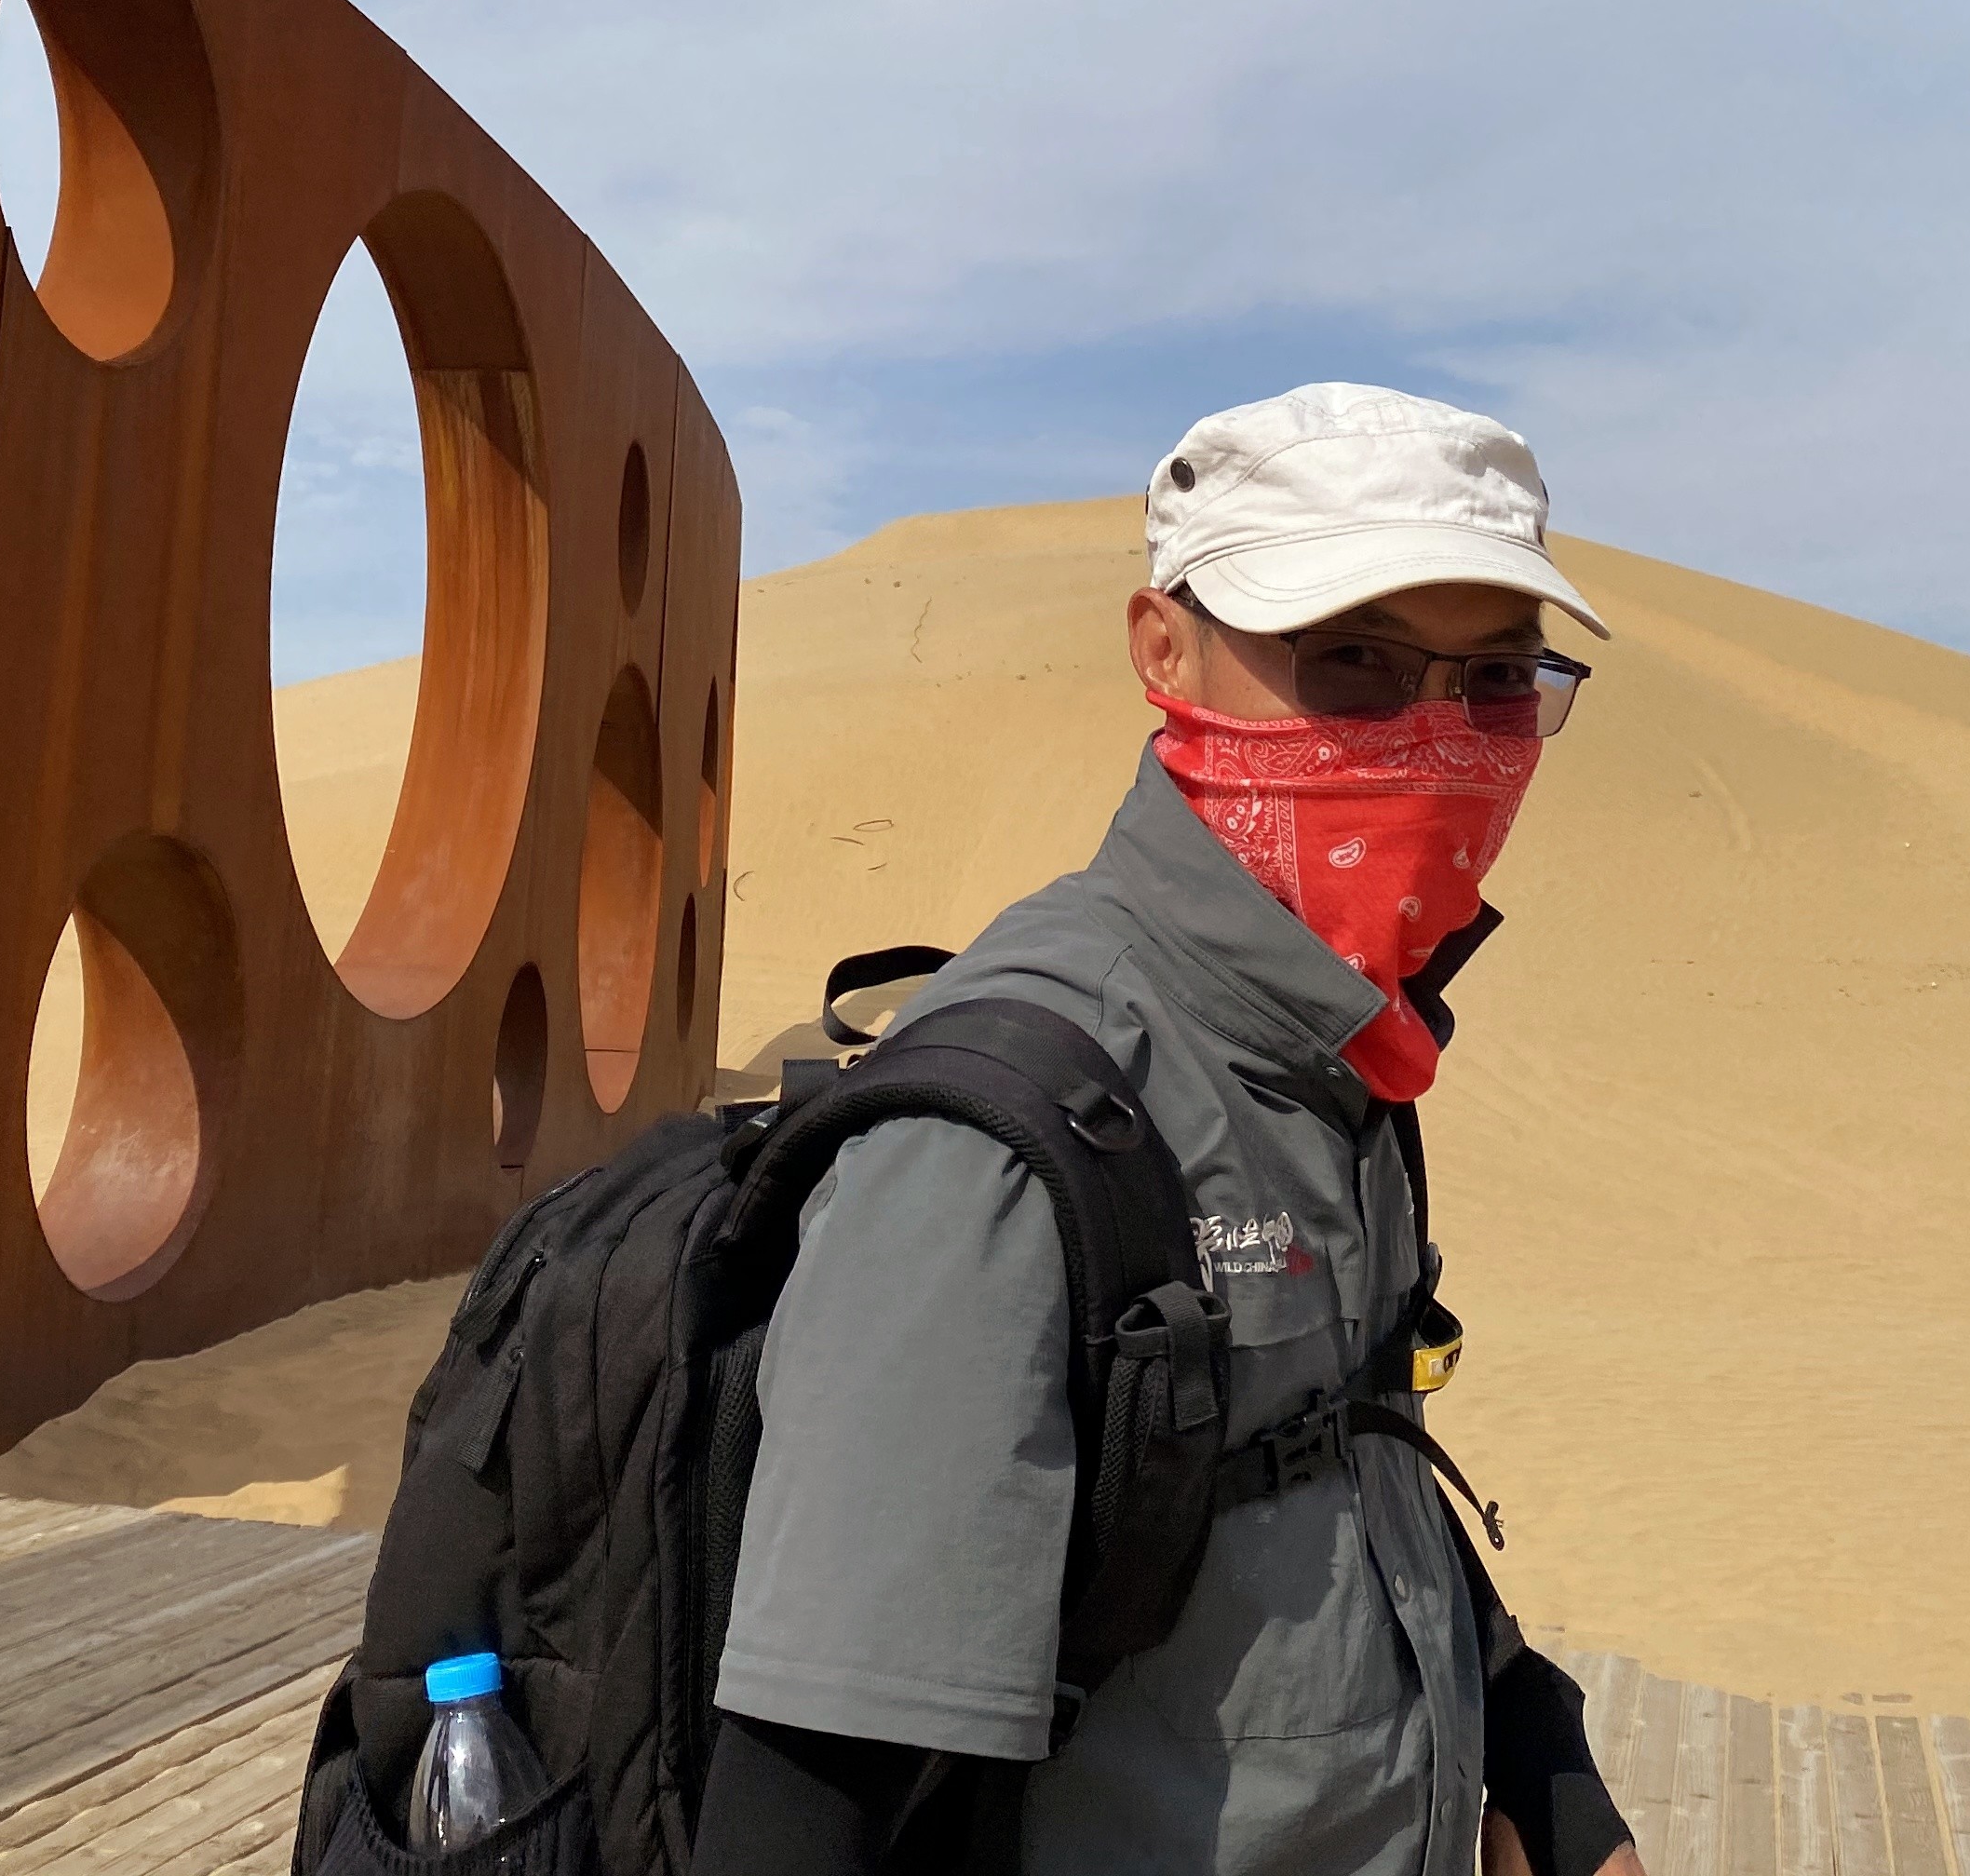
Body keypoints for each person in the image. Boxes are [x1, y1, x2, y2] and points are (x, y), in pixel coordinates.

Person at [691, 384, 1644, 1876]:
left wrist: (1531, 1731)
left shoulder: (1336, 1045)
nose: (1444, 743)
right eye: (1355, 665)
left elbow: (1328, 1452)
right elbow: (809, 1805)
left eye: (1502, 679)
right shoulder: (1000, 1144)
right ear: (1163, 650)